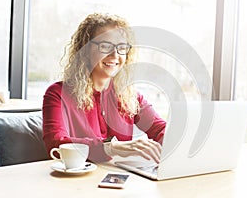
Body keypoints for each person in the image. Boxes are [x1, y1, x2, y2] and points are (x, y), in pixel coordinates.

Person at [42, 13, 166, 164]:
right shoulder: (57, 94)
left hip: (121, 181)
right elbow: (56, 143)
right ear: (86, 50)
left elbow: (160, 128)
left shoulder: (130, 95)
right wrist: (110, 147)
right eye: (106, 46)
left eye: (122, 47)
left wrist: (170, 140)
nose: (115, 55)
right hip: (77, 183)